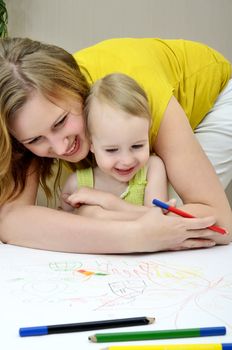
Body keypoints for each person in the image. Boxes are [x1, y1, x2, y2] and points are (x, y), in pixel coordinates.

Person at [0, 37, 231, 254]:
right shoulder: (29, 112)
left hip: (219, 98)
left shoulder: (140, 96)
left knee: (167, 211)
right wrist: (135, 235)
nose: (60, 149)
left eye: (60, 122)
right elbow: (11, 221)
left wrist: (100, 217)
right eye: (35, 140)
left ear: (77, 90)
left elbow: (221, 222)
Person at [60, 73, 168, 212]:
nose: (127, 160)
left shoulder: (152, 168)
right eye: (111, 150)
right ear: (91, 143)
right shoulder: (76, 184)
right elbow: (65, 230)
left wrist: (106, 201)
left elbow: (155, 219)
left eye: (137, 146)